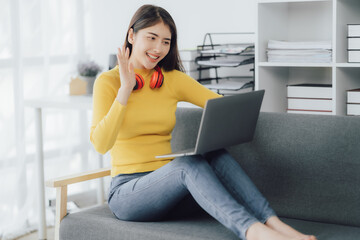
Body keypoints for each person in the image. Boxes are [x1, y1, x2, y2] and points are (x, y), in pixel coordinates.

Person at [90, 4, 317, 240]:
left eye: (166, 42)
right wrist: (125, 90)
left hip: (171, 193)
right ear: (131, 35)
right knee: (186, 165)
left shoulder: (172, 80)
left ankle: (274, 223)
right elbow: (101, 144)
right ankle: (253, 231)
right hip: (129, 194)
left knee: (214, 154)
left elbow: (223, 107)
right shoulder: (108, 82)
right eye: (152, 37)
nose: (159, 48)